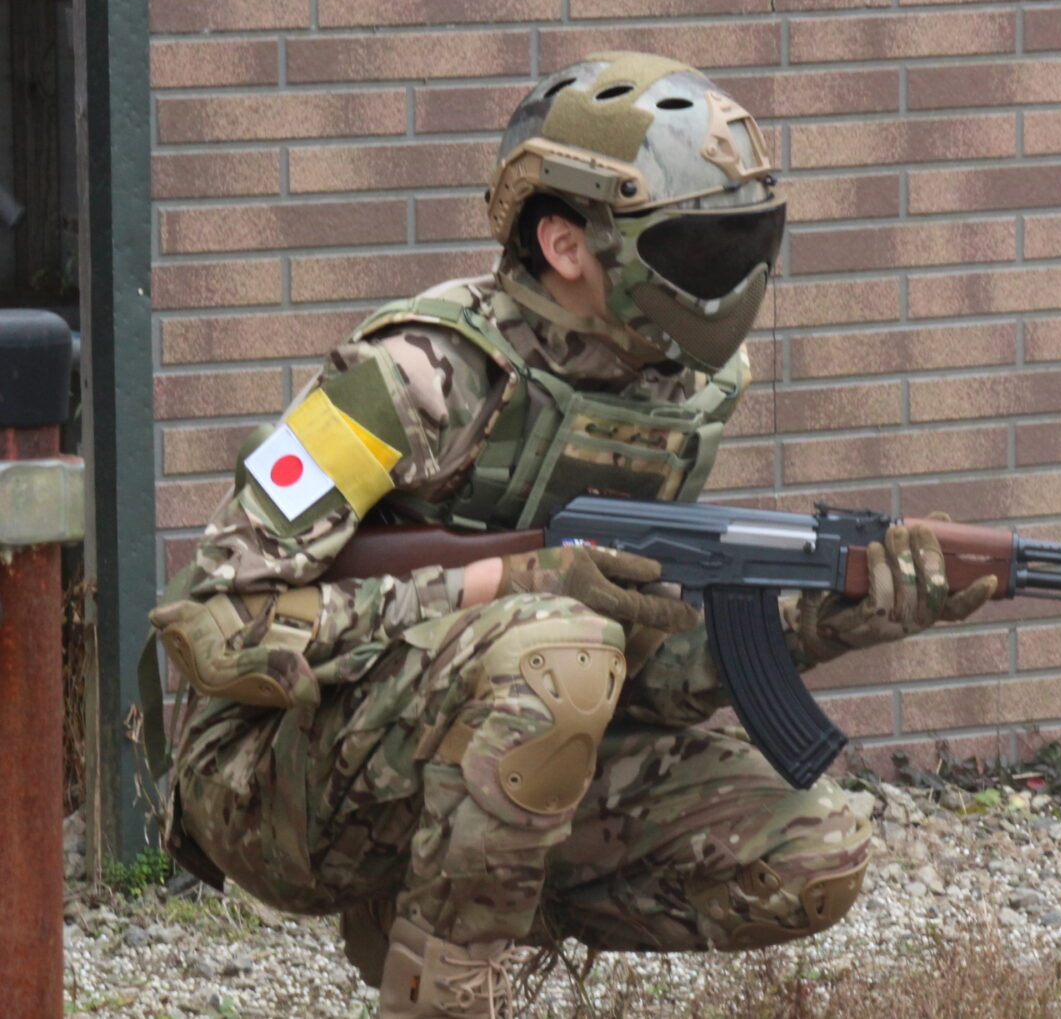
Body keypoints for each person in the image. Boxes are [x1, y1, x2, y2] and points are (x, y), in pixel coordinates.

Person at [147, 52, 995, 1019]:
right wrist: (504, 585)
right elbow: (215, 618)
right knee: (560, 644)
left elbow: (648, 674)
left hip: (487, 761)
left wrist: (838, 614)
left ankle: (458, 893)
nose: (737, 277)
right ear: (565, 244)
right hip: (270, 785)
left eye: (751, 241)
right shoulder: (411, 375)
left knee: (811, 852)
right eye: (700, 248)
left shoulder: (679, 393)